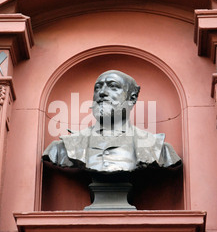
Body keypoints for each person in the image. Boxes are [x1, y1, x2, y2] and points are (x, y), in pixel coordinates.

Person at [42, 70, 181, 173]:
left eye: (113, 86)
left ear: (132, 98)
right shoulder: (64, 147)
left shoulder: (156, 147)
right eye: (98, 87)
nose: (102, 92)